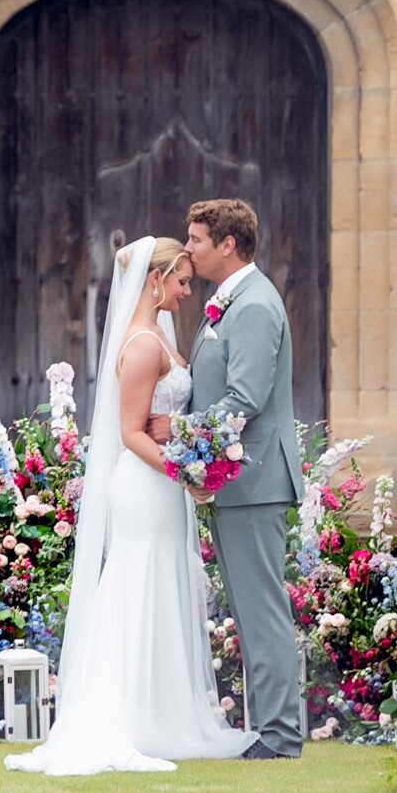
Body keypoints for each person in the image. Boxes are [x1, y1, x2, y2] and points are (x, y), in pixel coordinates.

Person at [5, 235, 251, 775]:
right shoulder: (141, 344)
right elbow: (131, 432)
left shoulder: (158, 334)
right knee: (135, 583)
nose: (189, 290)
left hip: (162, 482)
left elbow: (163, 423)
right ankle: (122, 720)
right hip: (145, 484)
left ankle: (159, 716)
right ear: (154, 279)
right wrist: (183, 471)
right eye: (182, 280)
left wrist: (186, 451)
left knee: (161, 585)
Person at [162, 198, 305, 760]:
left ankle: (279, 736)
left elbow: (245, 398)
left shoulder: (254, 306)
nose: (189, 248)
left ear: (228, 244)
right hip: (237, 483)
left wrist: (179, 432)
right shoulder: (233, 300)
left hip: (254, 480)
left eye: (197, 239)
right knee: (249, 609)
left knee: (262, 607)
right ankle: (270, 729)